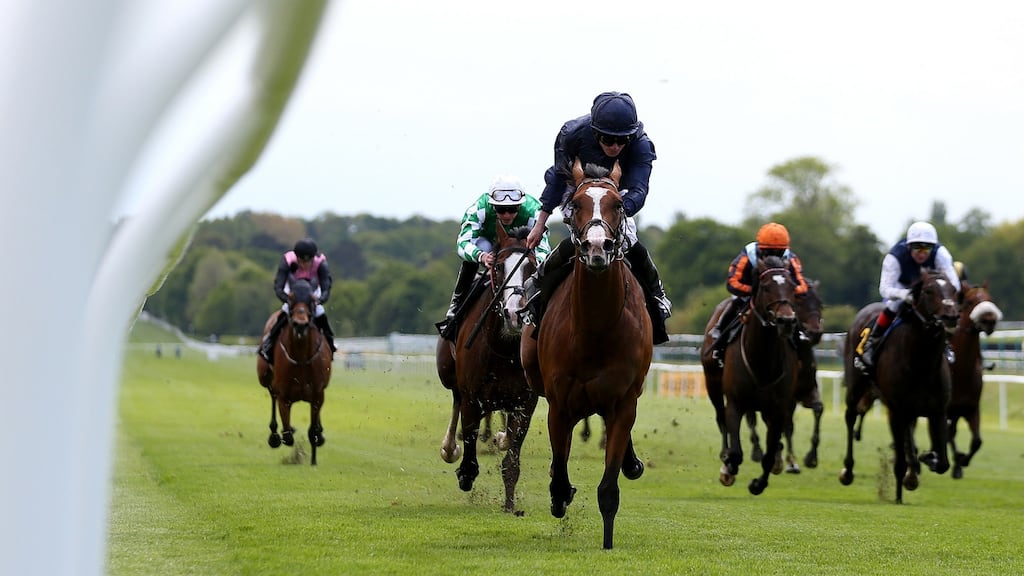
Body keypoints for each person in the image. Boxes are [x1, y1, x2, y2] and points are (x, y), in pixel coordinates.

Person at [522, 91, 672, 344]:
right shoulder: (571, 135)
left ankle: (657, 297)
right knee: (578, 240)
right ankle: (537, 290)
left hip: (616, 196)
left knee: (631, 240)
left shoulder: (642, 145)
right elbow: (558, 180)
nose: (614, 146)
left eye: (622, 140)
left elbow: (638, 189)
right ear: (594, 131)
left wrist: (613, 207)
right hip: (577, 190)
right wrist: (540, 224)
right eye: (607, 139)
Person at [434, 176, 551, 341]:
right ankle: (456, 306)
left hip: (522, 246)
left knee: (538, 266)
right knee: (471, 259)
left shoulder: (534, 210)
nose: (507, 215)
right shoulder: (478, 209)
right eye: (501, 209)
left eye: (513, 209)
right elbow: (463, 242)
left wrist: (534, 259)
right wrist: (480, 256)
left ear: (521, 205)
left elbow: (544, 247)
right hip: (488, 244)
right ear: (492, 205)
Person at [855, 221, 961, 372]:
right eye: (917, 247)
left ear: (933, 247)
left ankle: (945, 344)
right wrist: (904, 294)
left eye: (927, 247)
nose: (922, 252)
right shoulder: (895, 257)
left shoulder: (941, 254)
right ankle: (872, 342)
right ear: (908, 246)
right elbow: (884, 289)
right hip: (901, 286)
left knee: (941, 310)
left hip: (930, 288)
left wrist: (944, 298)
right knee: (894, 305)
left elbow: (954, 284)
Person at [707, 222, 810, 364]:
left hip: (777, 296)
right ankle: (720, 332)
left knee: (790, 310)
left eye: (778, 252)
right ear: (760, 248)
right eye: (768, 251)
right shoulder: (748, 254)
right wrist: (754, 292)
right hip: (749, 290)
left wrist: (786, 293)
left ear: (784, 250)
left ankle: (800, 340)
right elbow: (732, 282)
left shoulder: (790, 258)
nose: (773, 255)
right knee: (736, 301)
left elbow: (802, 286)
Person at [259, 237, 337, 362]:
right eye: (301, 260)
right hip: (292, 292)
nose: (304, 264)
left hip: (312, 293)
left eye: (308, 261)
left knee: (320, 313)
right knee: (284, 312)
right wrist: (286, 299)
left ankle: (331, 345)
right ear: (297, 257)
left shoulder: (321, 262)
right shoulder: (288, 260)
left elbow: (326, 288)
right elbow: (278, 287)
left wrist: (319, 301)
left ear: (313, 258)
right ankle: (269, 343)